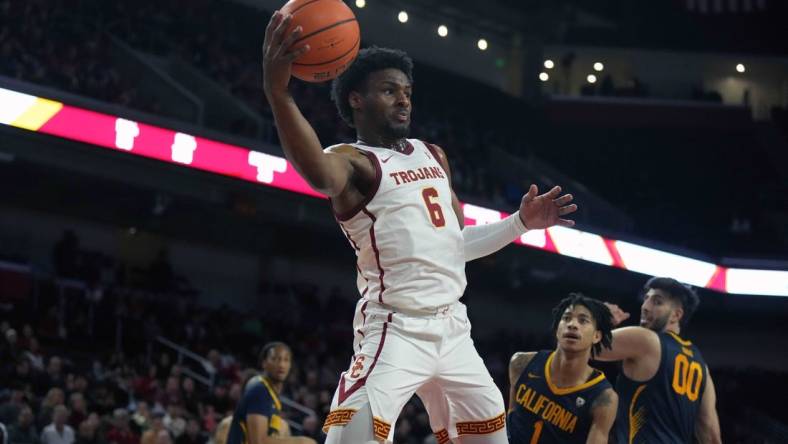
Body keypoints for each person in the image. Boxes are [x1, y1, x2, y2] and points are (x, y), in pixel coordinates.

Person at [262, 11, 577, 444]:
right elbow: (317, 174)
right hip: (395, 327)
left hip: (453, 328)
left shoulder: (433, 155)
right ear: (356, 99)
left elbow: (452, 245)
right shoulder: (353, 161)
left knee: (491, 437)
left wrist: (520, 222)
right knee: (350, 438)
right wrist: (279, 94)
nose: (404, 100)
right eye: (389, 91)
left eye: (407, 91)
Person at [600, 277, 721, 443]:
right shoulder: (702, 366)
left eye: (657, 302)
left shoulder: (645, 339)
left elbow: (580, 346)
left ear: (676, 315)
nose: (645, 307)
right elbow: (710, 433)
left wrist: (599, 318)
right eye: (646, 299)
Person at [507, 294, 617, 443]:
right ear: (557, 329)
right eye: (566, 318)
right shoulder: (521, 363)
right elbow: (510, 421)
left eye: (583, 320)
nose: (572, 324)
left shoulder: (603, 398)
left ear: (596, 336)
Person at [226, 342, 314, 444]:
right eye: (275, 359)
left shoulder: (272, 395)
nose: (281, 364)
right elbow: (258, 442)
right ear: (264, 363)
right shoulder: (259, 390)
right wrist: (299, 442)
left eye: (286, 360)